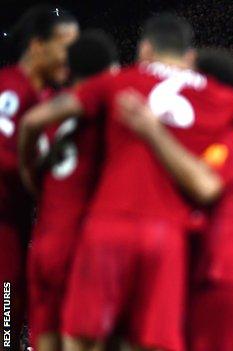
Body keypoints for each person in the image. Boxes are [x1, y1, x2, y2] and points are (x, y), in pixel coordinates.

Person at [18, 14, 233, 351]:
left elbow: (35, 121)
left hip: (106, 224)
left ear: (144, 48)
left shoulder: (120, 81)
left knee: (79, 340)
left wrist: (29, 175)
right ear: (188, 58)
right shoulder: (214, 95)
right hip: (172, 237)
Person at [27, 30, 116, 351]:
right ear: (111, 71)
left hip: (47, 243)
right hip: (91, 243)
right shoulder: (113, 109)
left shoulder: (42, 112)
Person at [0, 6, 78, 350]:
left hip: (19, 230)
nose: (69, 57)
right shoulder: (10, 89)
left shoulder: (51, 101)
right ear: (36, 46)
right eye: (64, 46)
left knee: (9, 324)